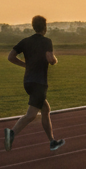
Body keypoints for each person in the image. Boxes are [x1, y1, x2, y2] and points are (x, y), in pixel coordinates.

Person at [4, 15, 65, 152]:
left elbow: (10, 57)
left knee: (45, 109)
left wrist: (25, 65)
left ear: (33, 26)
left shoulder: (25, 41)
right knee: (31, 115)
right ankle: (11, 133)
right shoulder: (47, 41)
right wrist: (54, 60)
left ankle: (52, 141)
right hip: (39, 83)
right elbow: (50, 59)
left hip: (28, 82)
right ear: (45, 27)